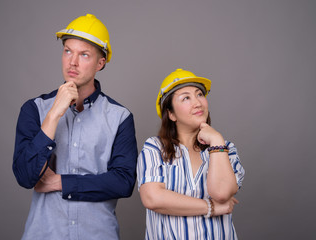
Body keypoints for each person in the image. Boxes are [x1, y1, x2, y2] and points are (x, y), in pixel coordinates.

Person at [12, 14, 138, 240]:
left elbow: (123, 182)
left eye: (84, 55)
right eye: (68, 51)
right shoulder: (35, 109)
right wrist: (53, 115)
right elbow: (25, 175)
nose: (72, 62)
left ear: (101, 63)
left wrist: (59, 182)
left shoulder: (120, 117)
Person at [137, 68, 245, 239]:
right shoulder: (155, 148)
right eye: (186, 98)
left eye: (200, 94)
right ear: (171, 114)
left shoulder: (226, 149)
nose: (198, 103)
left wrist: (216, 140)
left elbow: (222, 193)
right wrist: (211, 207)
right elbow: (153, 198)